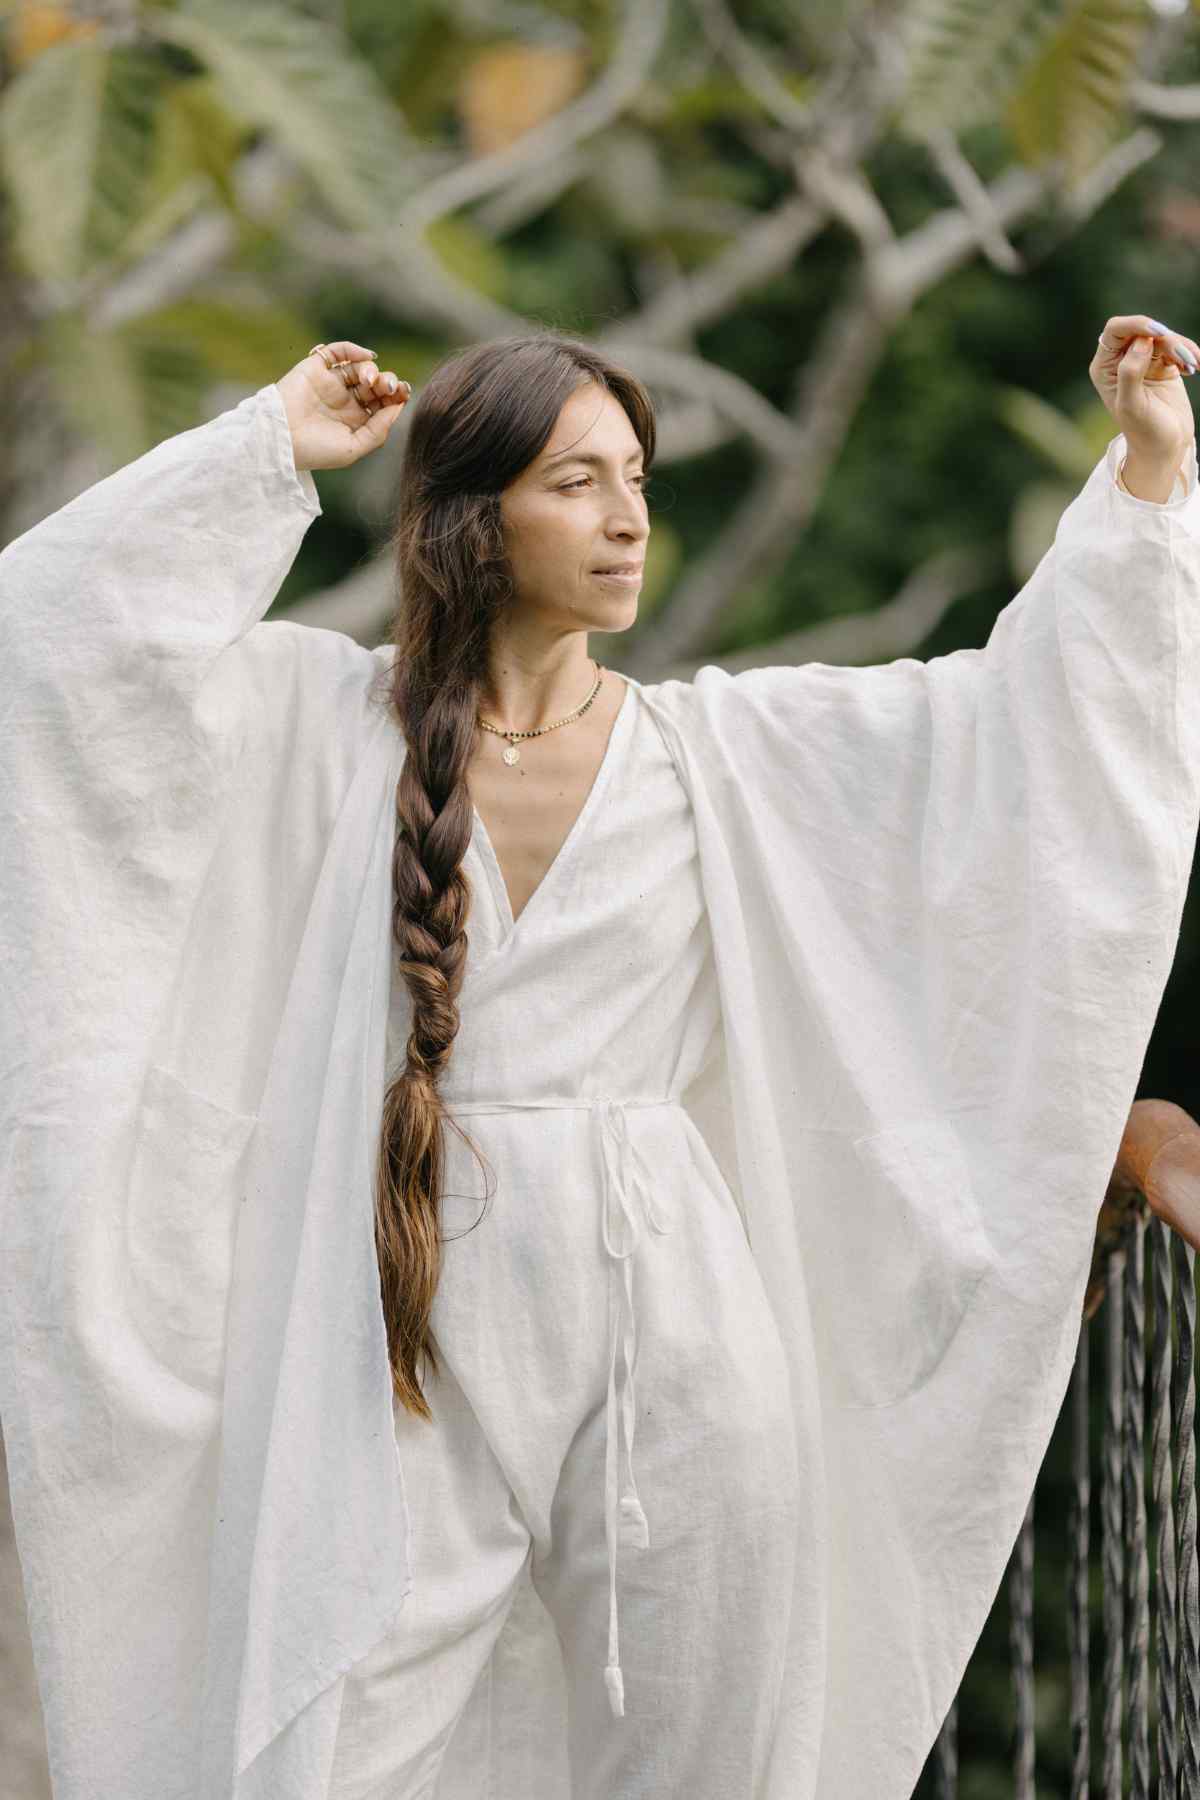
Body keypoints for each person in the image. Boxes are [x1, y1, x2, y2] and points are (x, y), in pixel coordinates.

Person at [0, 317, 1197, 1800]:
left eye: (636, 474)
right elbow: (54, 650)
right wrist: (266, 453)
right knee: (329, 1733)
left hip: (678, 1314)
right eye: (575, 480)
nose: (629, 515)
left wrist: (1145, 467)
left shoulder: (728, 751)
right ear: (471, 517)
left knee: (715, 1748)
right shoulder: (314, 727)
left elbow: (1023, 736)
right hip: (392, 1303)